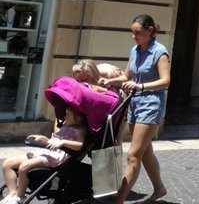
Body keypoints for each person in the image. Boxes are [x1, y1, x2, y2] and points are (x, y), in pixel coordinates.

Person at [101, 14, 169, 204]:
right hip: (134, 103)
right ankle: (159, 189)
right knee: (145, 151)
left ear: (150, 30)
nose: (134, 36)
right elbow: (127, 75)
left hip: (151, 105)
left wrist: (140, 86)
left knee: (133, 155)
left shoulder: (160, 51)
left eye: (138, 33)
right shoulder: (135, 50)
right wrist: (111, 81)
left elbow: (166, 80)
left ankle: (119, 200)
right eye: (132, 33)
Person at [1, 105, 86, 204]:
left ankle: (20, 197)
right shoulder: (65, 126)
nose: (64, 116)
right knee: (7, 164)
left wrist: (63, 142)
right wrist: (44, 139)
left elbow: (80, 145)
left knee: (24, 167)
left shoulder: (80, 130)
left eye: (67, 115)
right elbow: (55, 139)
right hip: (45, 151)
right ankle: (12, 193)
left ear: (78, 118)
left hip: (55, 156)